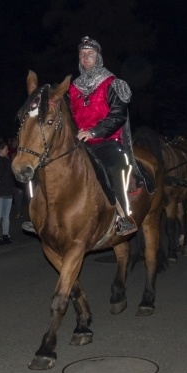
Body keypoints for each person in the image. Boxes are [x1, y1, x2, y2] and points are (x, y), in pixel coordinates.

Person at [66, 35, 137, 236]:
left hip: (107, 141)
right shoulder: (72, 88)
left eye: (90, 54)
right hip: (79, 143)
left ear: (98, 57)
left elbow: (118, 116)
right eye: (82, 54)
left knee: (117, 165)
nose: (85, 57)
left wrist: (94, 131)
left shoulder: (112, 83)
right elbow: (69, 117)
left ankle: (123, 216)